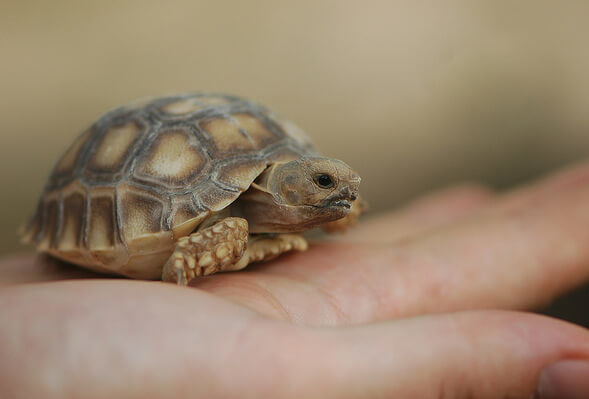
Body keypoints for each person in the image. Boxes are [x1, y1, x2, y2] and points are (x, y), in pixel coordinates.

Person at [1, 161, 589, 399]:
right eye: (325, 184)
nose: (346, 194)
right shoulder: (229, 223)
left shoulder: (289, 201)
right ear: (280, 188)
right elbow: (197, 244)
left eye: (343, 184)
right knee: (226, 237)